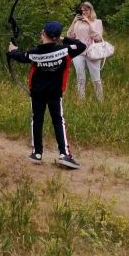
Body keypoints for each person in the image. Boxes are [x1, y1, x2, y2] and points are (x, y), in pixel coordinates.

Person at [8, 21, 87, 169]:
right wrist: (61, 39)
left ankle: (37, 153)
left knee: (37, 120)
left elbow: (21, 56)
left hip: (37, 93)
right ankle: (64, 154)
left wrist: (12, 50)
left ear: (43, 33)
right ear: (56, 36)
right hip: (55, 93)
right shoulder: (65, 50)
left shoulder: (35, 52)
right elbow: (82, 46)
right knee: (58, 121)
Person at [66, 1, 105, 101]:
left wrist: (88, 22)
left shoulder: (97, 22)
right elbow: (69, 36)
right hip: (78, 52)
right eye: (82, 10)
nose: (84, 12)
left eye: (86, 10)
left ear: (91, 10)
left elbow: (98, 38)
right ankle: (81, 101)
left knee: (96, 79)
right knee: (80, 78)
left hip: (93, 52)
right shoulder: (77, 22)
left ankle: (100, 100)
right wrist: (74, 22)